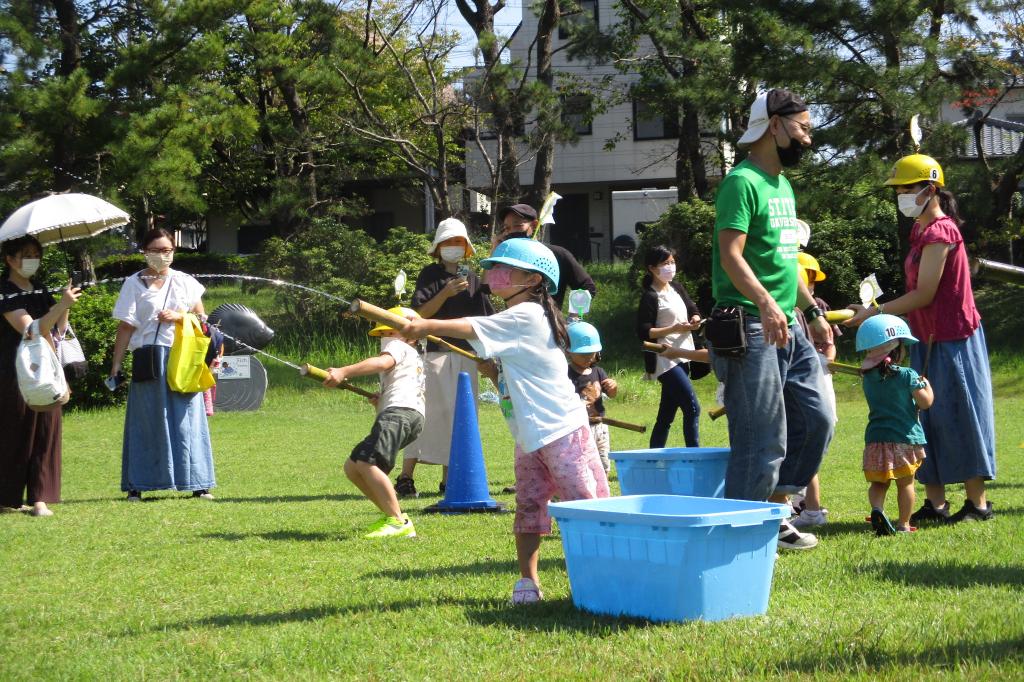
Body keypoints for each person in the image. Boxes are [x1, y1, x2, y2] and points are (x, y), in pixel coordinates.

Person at [402, 238, 609, 604]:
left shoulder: (527, 313)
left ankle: (604, 579)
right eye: (495, 268)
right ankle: (528, 583)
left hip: (561, 431)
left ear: (532, 280)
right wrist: (495, 372)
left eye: (505, 269)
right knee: (529, 506)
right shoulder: (522, 316)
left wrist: (423, 324)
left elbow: (470, 325)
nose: (494, 275)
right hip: (529, 434)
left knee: (583, 507)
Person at [709, 88, 834, 551]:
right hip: (750, 325)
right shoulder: (741, 182)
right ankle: (739, 535)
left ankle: (775, 511)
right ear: (774, 125)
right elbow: (730, 255)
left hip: (789, 325)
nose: (807, 139)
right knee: (762, 438)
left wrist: (813, 310)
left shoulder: (783, 186)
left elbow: (785, 260)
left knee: (817, 419)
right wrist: (765, 302)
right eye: (802, 129)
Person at [846, 153, 996, 524]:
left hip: (954, 337)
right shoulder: (920, 233)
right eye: (897, 190)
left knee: (960, 415)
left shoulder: (940, 232)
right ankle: (936, 503)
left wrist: (874, 313)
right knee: (925, 417)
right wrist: (873, 310)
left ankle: (978, 505)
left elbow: (925, 293)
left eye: (906, 189)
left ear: (930, 189)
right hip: (925, 337)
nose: (900, 195)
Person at [109, 228, 216, 502]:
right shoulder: (133, 283)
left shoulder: (185, 282)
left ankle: (198, 484)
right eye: (155, 250)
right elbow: (125, 327)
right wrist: (116, 365)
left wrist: (181, 317)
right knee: (146, 420)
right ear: (144, 251)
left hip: (182, 356)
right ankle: (138, 485)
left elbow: (204, 322)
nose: (161, 256)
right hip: (147, 358)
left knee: (187, 419)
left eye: (167, 250)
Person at [396, 218, 494, 498]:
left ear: (466, 248)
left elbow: (486, 318)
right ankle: (405, 477)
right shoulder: (430, 275)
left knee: (461, 417)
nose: (453, 247)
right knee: (427, 414)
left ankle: (450, 479)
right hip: (436, 354)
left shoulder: (472, 278)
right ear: (439, 247)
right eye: (448, 242)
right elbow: (420, 315)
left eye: (458, 242)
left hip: (467, 355)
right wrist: (446, 292)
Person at [323, 307, 424, 539]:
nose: (385, 339)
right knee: (353, 466)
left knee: (369, 463)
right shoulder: (412, 356)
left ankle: (398, 522)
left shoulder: (399, 346)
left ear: (408, 334)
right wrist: (380, 402)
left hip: (399, 414)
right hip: (406, 415)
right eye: (382, 335)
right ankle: (394, 515)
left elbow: (381, 364)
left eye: (388, 332)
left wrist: (343, 370)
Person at [1, 236, 81, 516]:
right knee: (16, 432)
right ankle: (8, 498)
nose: (32, 259)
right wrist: (60, 306)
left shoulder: (40, 289)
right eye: (26, 254)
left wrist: (64, 304)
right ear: (9, 259)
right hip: (15, 372)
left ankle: (40, 498)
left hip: (46, 367)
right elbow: (31, 330)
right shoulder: (5, 292)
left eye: (36, 254)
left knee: (47, 428)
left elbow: (54, 329)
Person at [855, 314, 933, 535]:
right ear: (896, 349)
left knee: (879, 483)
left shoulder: (867, 377)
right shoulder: (908, 375)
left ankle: (877, 509)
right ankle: (904, 524)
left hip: (876, 438)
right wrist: (926, 385)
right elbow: (925, 403)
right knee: (905, 483)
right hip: (904, 439)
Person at [788, 251, 840, 529]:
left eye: (811, 278)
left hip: (815, 380)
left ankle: (811, 508)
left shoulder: (815, 306)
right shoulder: (786, 304)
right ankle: (797, 504)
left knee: (808, 440)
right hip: (795, 382)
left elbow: (830, 344)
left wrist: (823, 360)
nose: (809, 283)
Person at [636, 245, 702, 448]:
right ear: (652, 268)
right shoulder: (650, 296)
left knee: (666, 414)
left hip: (684, 354)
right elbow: (644, 332)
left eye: (672, 262)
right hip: (664, 359)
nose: (670, 267)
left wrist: (696, 319)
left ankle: (654, 455)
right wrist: (673, 328)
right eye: (665, 264)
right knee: (692, 407)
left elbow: (692, 308)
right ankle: (695, 455)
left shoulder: (677, 288)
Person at [493, 204, 596, 308]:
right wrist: (495, 250)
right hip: (512, 321)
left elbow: (587, 288)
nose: (512, 231)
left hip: (548, 321)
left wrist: (574, 316)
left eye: (518, 226)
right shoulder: (507, 258)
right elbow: (485, 288)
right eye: (507, 228)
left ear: (534, 225)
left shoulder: (557, 254)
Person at [566, 321, 618, 474]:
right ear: (569, 352)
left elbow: (612, 395)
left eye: (591, 353)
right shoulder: (566, 373)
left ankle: (603, 490)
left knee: (603, 462)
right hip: (578, 427)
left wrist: (613, 387)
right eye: (582, 354)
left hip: (600, 427)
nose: (587, 358)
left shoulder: (598, 371)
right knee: (581, 462)